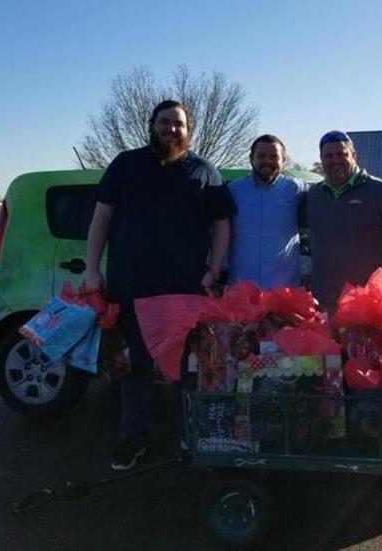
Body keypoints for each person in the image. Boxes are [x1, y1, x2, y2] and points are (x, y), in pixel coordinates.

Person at [84, 99, 235, 471]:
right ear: (151, 125)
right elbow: (101, 217)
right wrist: (92, 268)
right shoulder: (125, 164)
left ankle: (191, 435)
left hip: (185, 290)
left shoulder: (204, 171)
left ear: (189, 130)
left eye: (179, 124)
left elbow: (222, 225)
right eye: (165, 122)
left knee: (188, 367)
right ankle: (131, 439)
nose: (172, 129)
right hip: (131, 286)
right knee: (133, 366)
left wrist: (213, 270)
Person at [305, 130, 382, 311]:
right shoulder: (314, 195)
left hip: (365, 306)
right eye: (329, 156)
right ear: (321, 159)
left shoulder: (380, 191)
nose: (335, 160)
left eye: (342, 154)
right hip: (323, 304)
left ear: (354, 155)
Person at [226, 134, 308, 289]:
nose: (267, 161)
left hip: (284, 292)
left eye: (274, 156)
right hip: (240, 290)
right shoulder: (233, 191)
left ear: (284, 161)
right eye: (261, 156)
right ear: (251, 159)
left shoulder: (297, 189)